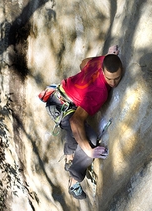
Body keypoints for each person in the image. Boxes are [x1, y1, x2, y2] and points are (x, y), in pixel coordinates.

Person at [46, 46, 123, 199]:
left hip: (58, 98)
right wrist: (88, 150)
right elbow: (76, 121)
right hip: (62, 108)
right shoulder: (99, 92)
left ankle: (69, 157)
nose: (113, 83)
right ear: (103, 72)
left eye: (117, 78)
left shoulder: (101, 61)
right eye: (110, 79)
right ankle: (74, 180)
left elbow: (83, 64)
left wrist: (107, 55)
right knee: (90, 140)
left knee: (77, 129)